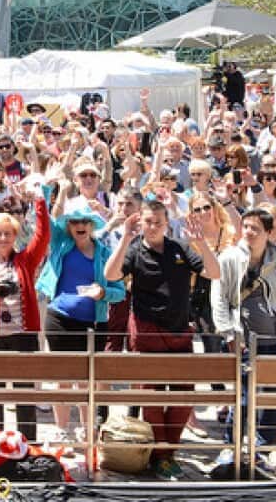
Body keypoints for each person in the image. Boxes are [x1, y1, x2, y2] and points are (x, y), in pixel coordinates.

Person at [103, 200, 221, 480]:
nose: (153, 227)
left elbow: (214, 273)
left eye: (158, 221)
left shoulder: (179, 247)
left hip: (179, 331)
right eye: (148, 221)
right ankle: (161, 456)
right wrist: (125, 239)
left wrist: (201, 243)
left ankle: (167, 453)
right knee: (151, 397)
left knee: (184, 395)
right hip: (146, 331)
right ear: (140, 222)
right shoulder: (133, 250)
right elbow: (110, 275)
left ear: (167, 223)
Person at [210, 208, 276, 474]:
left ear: (269, 233)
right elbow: (219, 298)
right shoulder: (229, 258)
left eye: (255, 228)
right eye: (246, 226)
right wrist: (229, 333)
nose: (248, 232)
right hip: (244, 341)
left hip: (275, 340)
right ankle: (231, 446)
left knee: (273, 400)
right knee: (244, 398)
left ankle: (262, 452)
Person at [35, 202, 125, 439]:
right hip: (59, 319)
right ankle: (62, 430)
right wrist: (45, 193)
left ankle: (88, 431)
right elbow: (45, 223)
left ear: (92, 225)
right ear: (69, 226)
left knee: (87, 381)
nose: (80, 225)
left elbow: (120, 292)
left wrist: (103, 293)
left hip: (93, 324)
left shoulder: (105, 253)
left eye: (85, 221)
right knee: (62, 379)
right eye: (75, 221)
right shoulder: (62, 244)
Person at [0, 188, 50, 443]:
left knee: (25, 393)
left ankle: (28, 445)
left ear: (15, 236)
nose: (3, 238)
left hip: (22, 335)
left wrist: (39, 201)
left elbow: (43, 235)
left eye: (7, 234)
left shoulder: (25, 260)